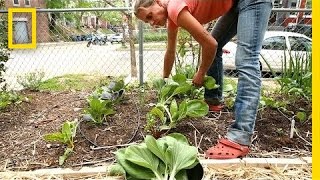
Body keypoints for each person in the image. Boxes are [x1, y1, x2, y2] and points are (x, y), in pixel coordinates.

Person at [133, 0, 272, 159]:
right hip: (235, 4)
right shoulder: (171, 18)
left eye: (150, 15)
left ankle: (240, 137)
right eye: (147, 21)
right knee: (217, 42)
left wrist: (201, 72)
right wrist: (164, 80)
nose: (152, 23)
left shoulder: (174, 7)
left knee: (247, 60)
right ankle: (213, 100)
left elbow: (209, 44)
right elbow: (170, 51)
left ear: (157, 1)